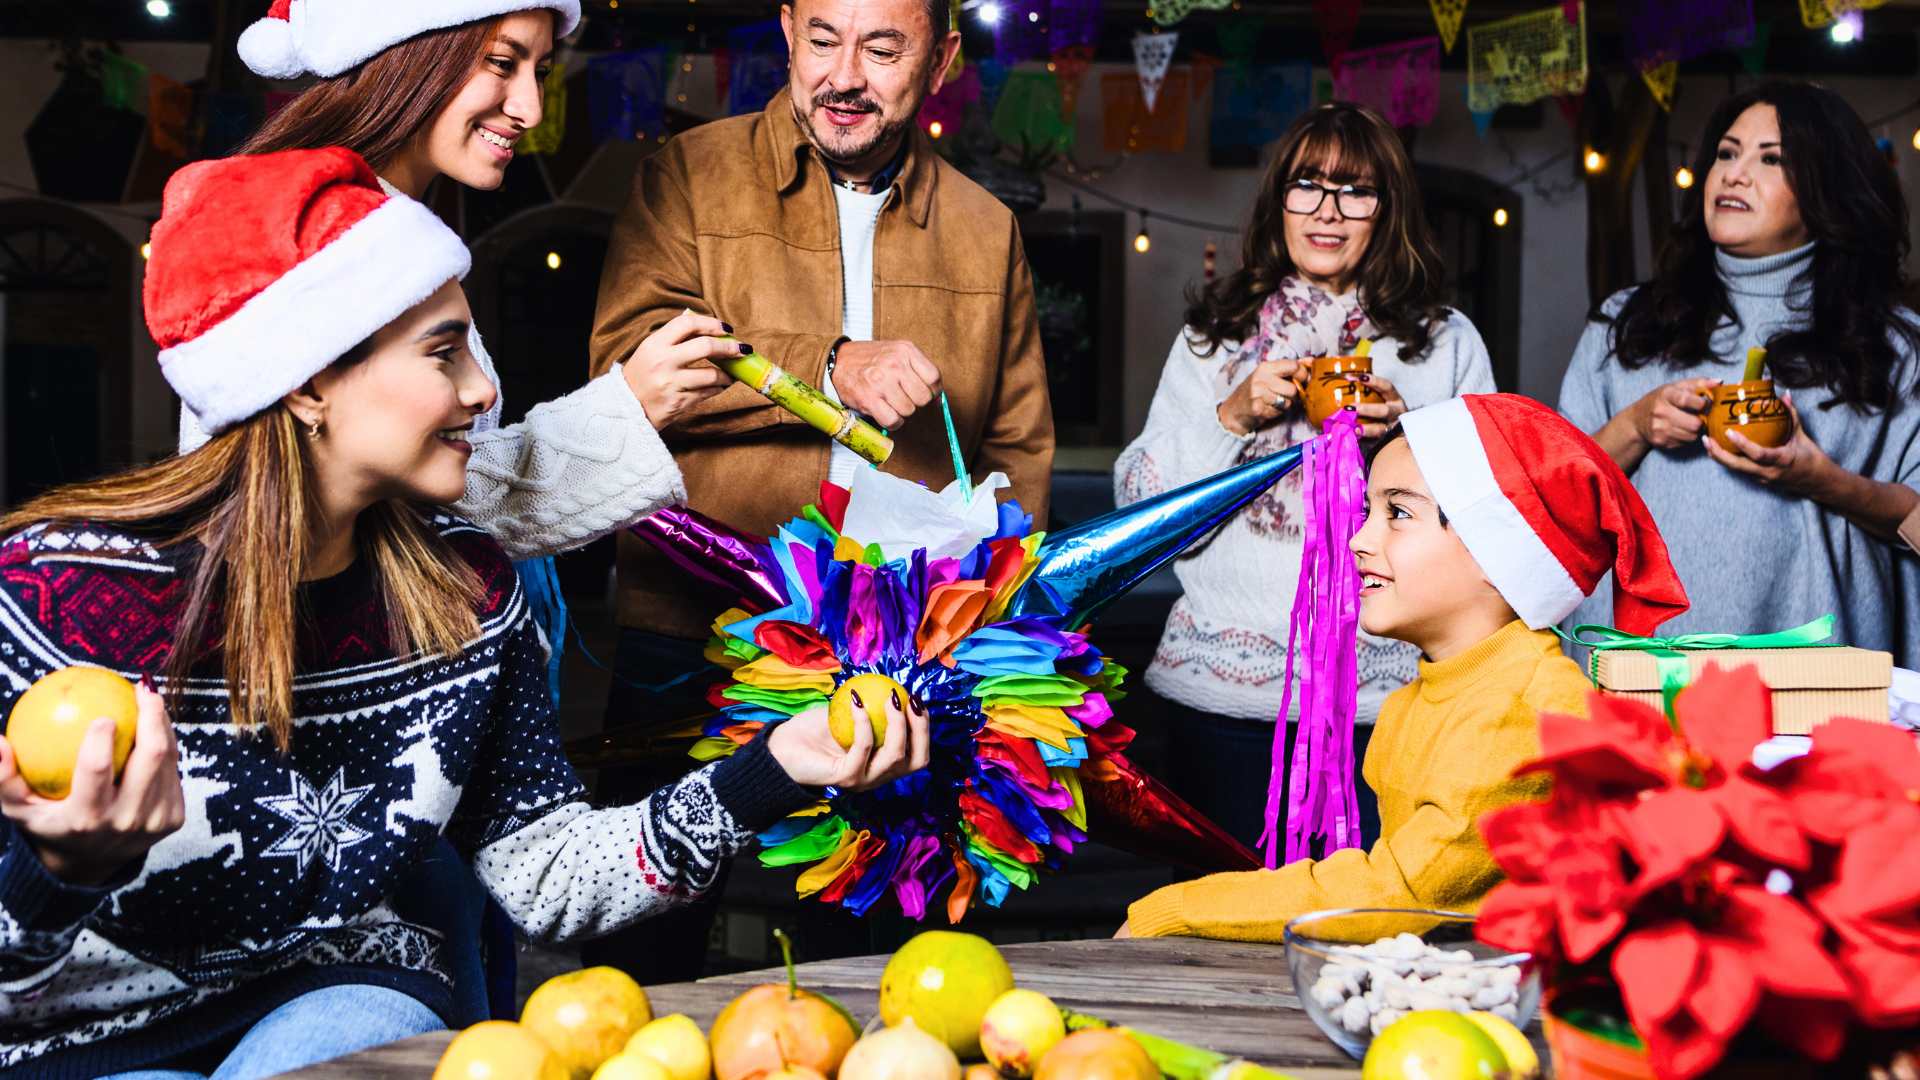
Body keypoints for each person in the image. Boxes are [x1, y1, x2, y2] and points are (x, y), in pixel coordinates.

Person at [0, 149, 927, 1079]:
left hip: (335, 1003)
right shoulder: (52, 594)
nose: (483, 390)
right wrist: (57, 878)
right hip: (80, 1039)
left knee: (365, 1024)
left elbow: (549, 872)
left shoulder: (466, 590)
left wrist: (774, 769)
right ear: (309, 383)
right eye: (444, 353)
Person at [583, 0, 1054, 979]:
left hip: (907, 654)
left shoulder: (987, 227)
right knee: (647, 937)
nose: (844, 75)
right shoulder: (686, 175)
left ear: (941, 60)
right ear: (788, 30)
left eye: (881, 48)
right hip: (693, 626)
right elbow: (621, 370)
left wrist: (994, 631)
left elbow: (1018, 448)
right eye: (823, 40)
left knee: (879, 950)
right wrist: (829, 366)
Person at [181, 0, 739, 560]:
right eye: (501, 63)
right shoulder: (311, 236)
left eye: (541, 71)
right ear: (408, 52)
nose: (531, 110)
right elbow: (313, 511)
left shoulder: (387, 223)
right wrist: (624, 412)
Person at [1119, 394, 1688, 941]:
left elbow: (1394, 894)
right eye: (1369, 511)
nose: (1358, 540)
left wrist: (1180, 908)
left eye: (1397, 513)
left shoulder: (1518, 711)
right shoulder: (1423, 696)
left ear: (1497, 549)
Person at [1113, 102, 1495, 852]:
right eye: (1308, 184)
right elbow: (1137, 509)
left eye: (1356, 191)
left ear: (1388, 208)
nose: (1328, 210)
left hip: (1391, 706)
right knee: (1217, 918)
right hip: (1223, 702)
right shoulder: (1214, 338)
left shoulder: (1443, 342)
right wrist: (1229, 417)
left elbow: (1489, 524)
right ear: (1278, 198)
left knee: (1373, 915)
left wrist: (1411, 434)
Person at [1560, 81, 1920, 665]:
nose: (1735, 174)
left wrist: (1821, 480)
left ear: (1830, 187)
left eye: (1771, 159)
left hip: (1819, 674)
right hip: (1639, 674)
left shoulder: (1889, 345)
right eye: (1727, 153)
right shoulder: (1627, 324)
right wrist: (1635, 426)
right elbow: (1553, 504)